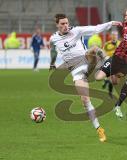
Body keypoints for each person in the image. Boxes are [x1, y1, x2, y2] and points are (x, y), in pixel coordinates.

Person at [49, 13, 121, 142]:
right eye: (62, 24)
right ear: (57, 25)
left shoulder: (76, 31)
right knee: (85, 101)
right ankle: (99, 129)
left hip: (87, 61)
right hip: (77, 73)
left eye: (66, 23)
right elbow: (53, 50)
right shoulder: (53, 38)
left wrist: (110, 24)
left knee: (93, 49)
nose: (66, 26)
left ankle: (111, 66)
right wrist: (52, 62)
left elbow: (95, 29)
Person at [102, 30, 120, 98]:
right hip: (109, 62)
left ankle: (106, 81)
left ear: (117, 36)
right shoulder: (107, 44)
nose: (114, 36)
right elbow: (103, 53)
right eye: (113, 35)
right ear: (111, 36)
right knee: (112, 78)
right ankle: (110, 93)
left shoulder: (120, 44)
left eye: (115, 35)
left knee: (115, 80)